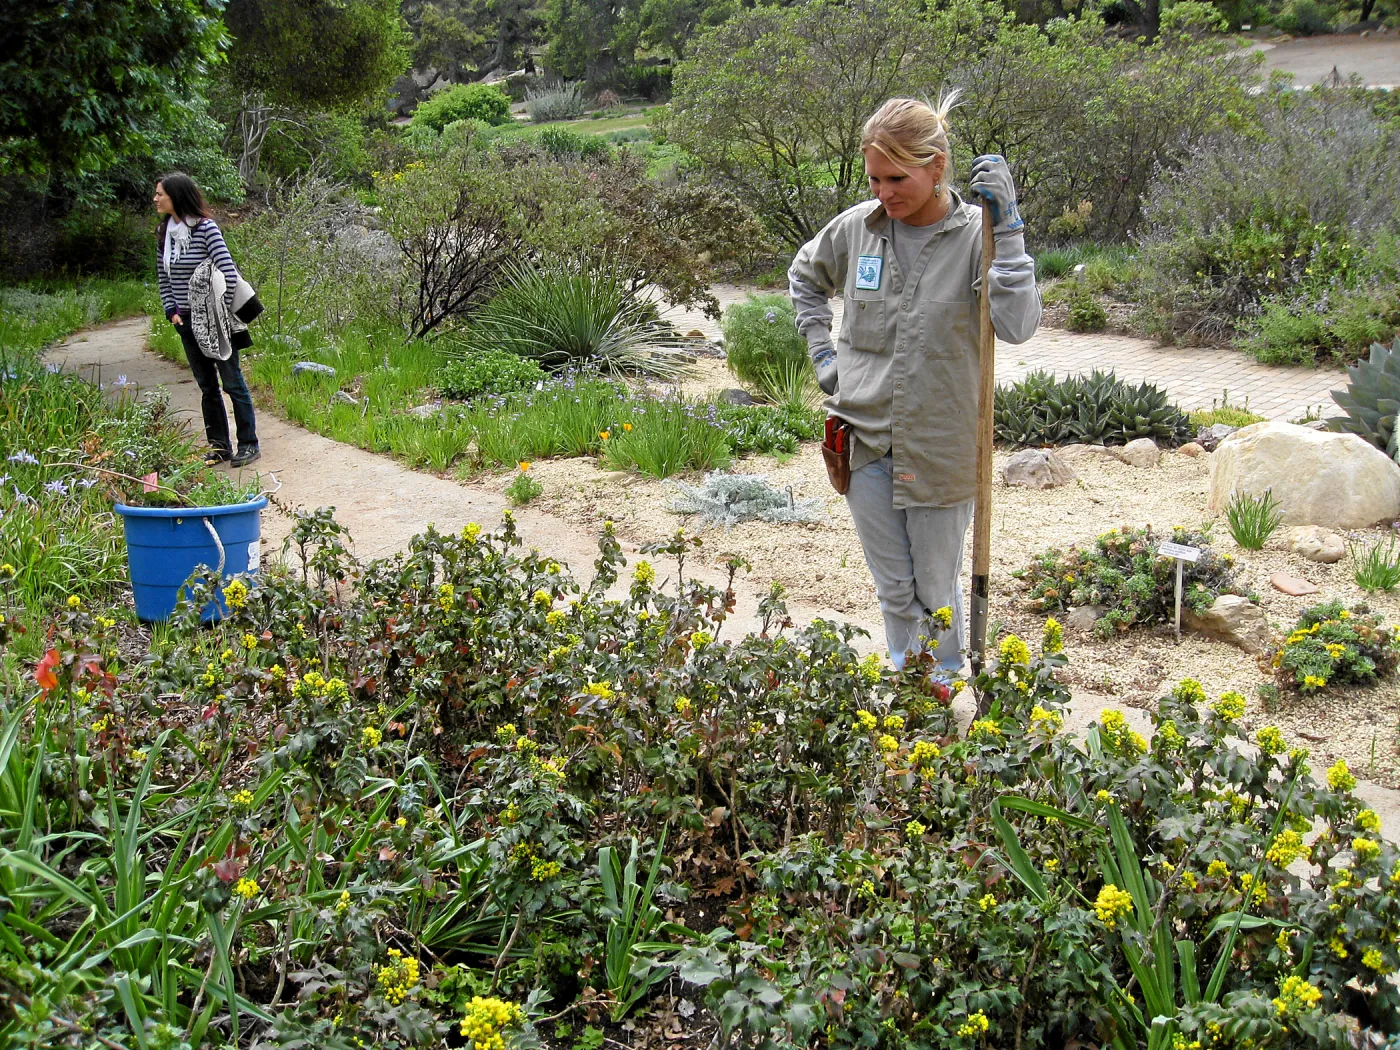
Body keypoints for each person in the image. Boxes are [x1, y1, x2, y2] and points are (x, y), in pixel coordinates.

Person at [788, 95, 1040, 672]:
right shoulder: (858, 230)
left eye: (897, 178)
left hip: (942, 443)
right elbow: (804, 275)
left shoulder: (982, 235)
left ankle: (945, 685)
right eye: (874, 178)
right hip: (864, 438)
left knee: (936, 587)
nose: (884, 193)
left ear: (936, 167)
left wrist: (1012, 230)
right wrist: (822, 351)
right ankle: (912, 686)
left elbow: (1018, 326)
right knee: (893, 586)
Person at [154, 173, 260, 468]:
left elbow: (227, 270)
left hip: (216, 321)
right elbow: (163, 276)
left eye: (160, 193)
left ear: (176, 195)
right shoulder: (164, 233)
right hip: (185, 322)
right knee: (206, 386)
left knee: (232, 381)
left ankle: (249, 443)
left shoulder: (205, 229)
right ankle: (219, 446)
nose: (156, 198)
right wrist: (171, 309)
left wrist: (221, 310)